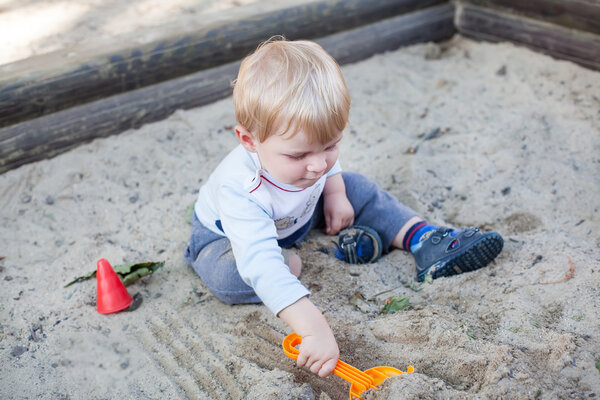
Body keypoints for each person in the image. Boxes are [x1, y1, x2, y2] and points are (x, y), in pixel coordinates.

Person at [184, 37, 503, 378]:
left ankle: (424, 240)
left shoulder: (311, 158)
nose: (319, 164)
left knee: (357, 187)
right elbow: (258, 264)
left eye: (331, 145)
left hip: (298, 214)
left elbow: (322, 164)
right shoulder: (241, 190)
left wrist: (335, 191)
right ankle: (289, 260)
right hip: (226, 239)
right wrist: (313, 330)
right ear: (249, 140)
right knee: (229, 275)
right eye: (299, 155)